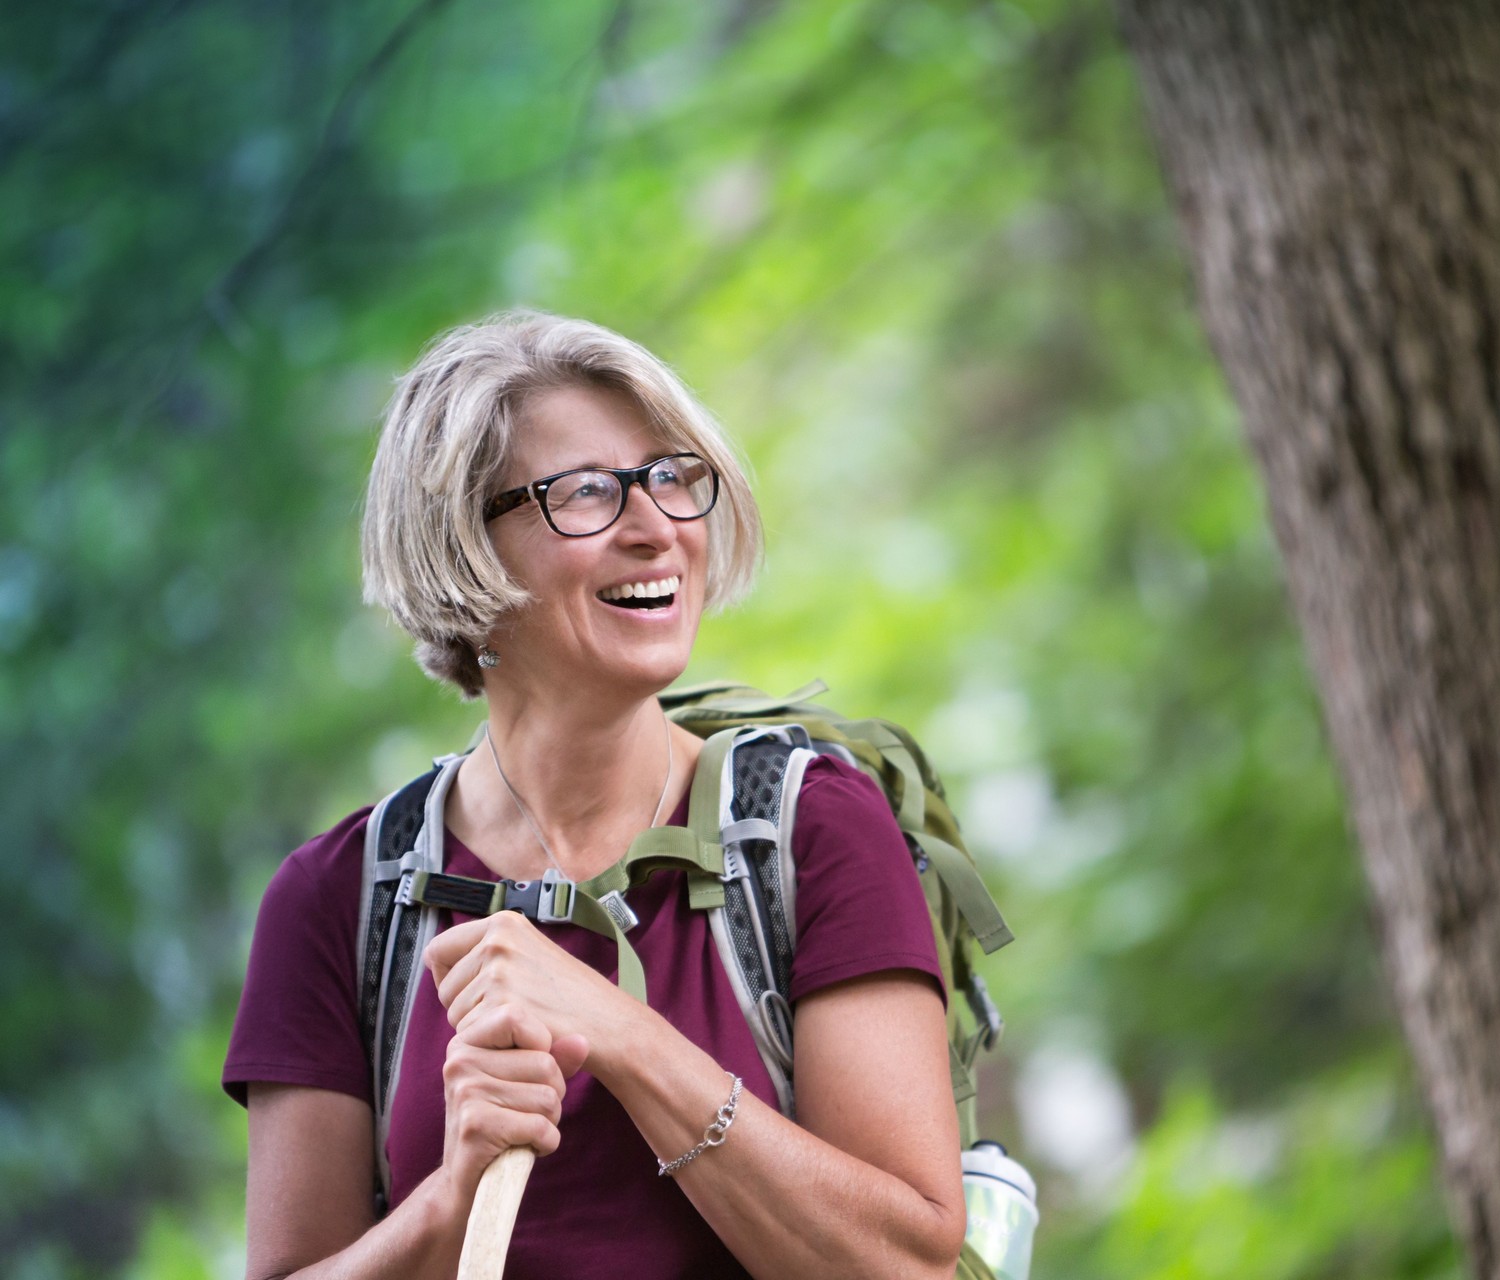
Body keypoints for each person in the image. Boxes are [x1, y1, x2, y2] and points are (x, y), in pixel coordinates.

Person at [222, 309, 966, 1279]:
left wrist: (626, 1037)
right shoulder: (337, 899)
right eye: (586, 493)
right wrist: (447, 1202)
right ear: (463, 546)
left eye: (671, 477)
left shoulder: (814, 826)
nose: (657, 527)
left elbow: (908, 1264)